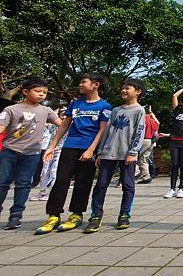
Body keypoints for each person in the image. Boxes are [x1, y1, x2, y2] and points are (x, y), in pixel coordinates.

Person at [36, 74, 112, 235]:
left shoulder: (104, 106)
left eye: (83, 82)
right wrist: (52, 146)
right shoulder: (76, 104)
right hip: (70, 146)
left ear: (95, 85)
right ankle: (53, 215)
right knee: (61, 180)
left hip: (88, 148)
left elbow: (102, 130)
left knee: (83, 182)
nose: (80, 84)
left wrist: (91, 150)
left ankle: (76, 214)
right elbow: (64, 126)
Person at [83, 78, 146, 233]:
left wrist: (133, 152)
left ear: (137, 92)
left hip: (127, 154)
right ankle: (96, 215)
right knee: (100, 185)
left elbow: (140, 132)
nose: (124, 91)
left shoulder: (139, 110)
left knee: (128, 185)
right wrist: (100, 151)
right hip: (108, 153)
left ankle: (124, 214)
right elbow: (107, 131)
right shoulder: (116, 110)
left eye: (128, 88)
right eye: (123, 88)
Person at [0, 79, 61, 229]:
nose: (42, 94)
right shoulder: (11, 109)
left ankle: (16, 215)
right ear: (25, 92)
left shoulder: (46, 111)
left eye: (44, 92)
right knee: (2, 183)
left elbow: (61, 124)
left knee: (24, 184)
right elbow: (1, 127)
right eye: (38, 91)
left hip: (32, 153)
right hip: (9, 150)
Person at [30, 107, 67, 201]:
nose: (63, 114)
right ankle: (42, 192)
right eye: (61, 113)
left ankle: (51, 193)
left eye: (65, 113)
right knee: (45, 170)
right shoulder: (53, 125)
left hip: (61, 150)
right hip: (50, 150)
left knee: (54, 171)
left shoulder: (69, 125)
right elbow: (45, 121)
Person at [138, 105, 159, 185]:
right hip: (150, 141)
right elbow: (156, 128)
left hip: (142, 140)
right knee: (144, 158)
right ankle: (146, 176)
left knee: (135, 156)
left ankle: (136, 173)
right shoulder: (152, 121)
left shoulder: (142, 119)